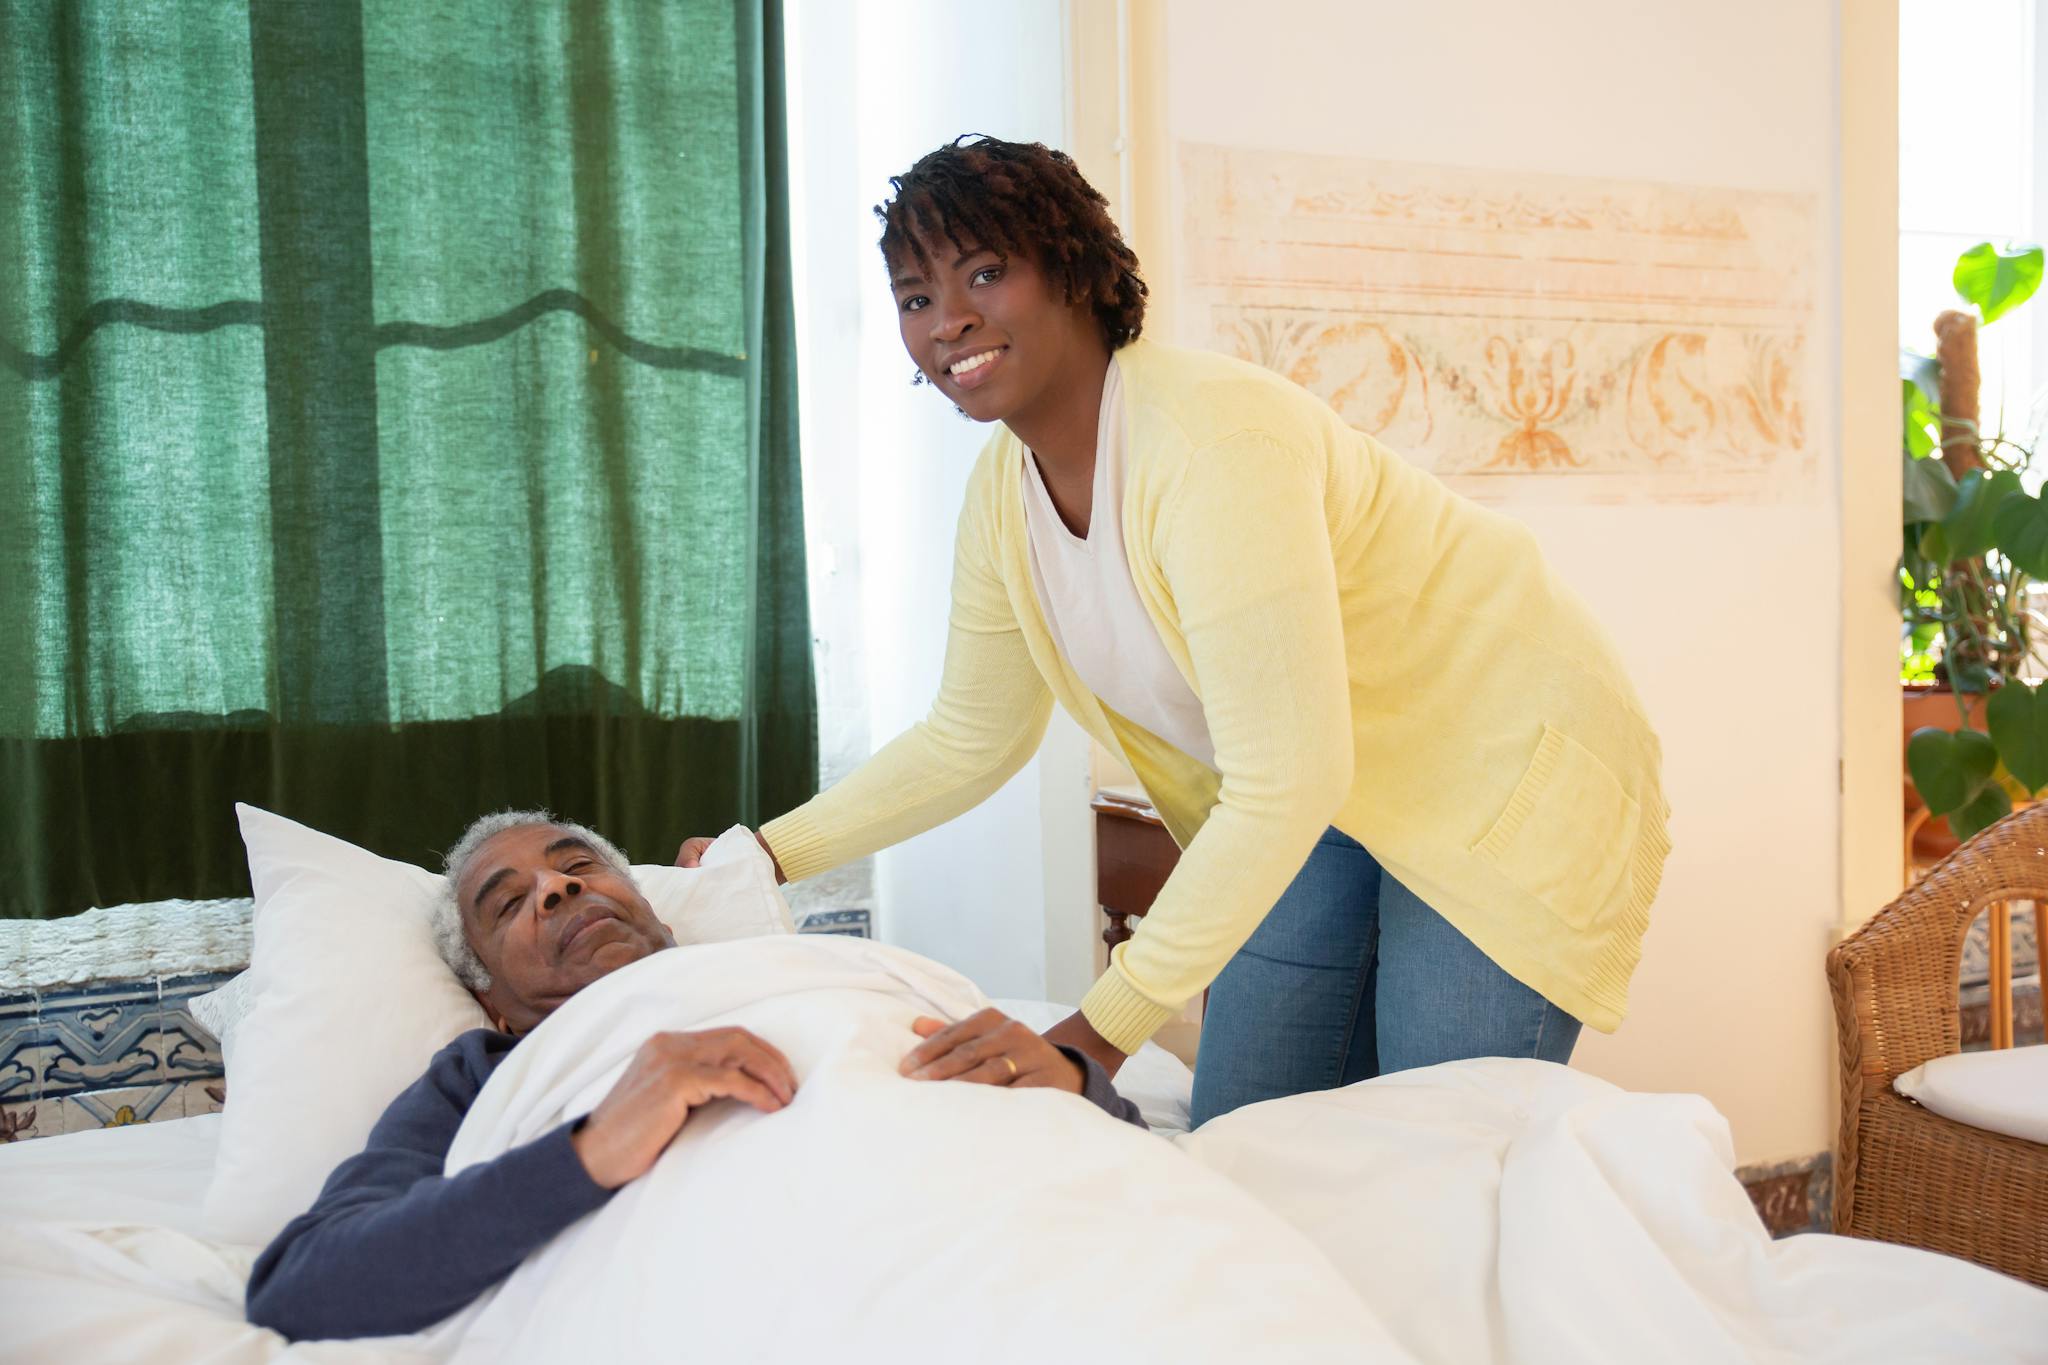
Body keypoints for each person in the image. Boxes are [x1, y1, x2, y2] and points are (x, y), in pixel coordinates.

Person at [679, 135, 1671, 1128]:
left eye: (985, 272)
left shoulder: (1210, 447)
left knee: (1441, 1155)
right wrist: (762, 853)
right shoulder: (1001, 496)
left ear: (1071, 269)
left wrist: (1091, 1035)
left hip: (1492, 767)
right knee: (1243, 1135)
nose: (950, 320)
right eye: (915, 297)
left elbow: (1288, 777)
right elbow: (969, 737)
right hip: (1324, 795)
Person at [245, 810, 1141, 1343]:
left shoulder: (830, 969)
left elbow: (1128, 1145)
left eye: (576, 865)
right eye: (511, 902)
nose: (556, 889)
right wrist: (593, 1147)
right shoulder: (482, 1074)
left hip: (1034, 1244)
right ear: (491, 998)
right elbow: (303, 1286)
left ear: (640, 899)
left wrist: (1067, 1077)